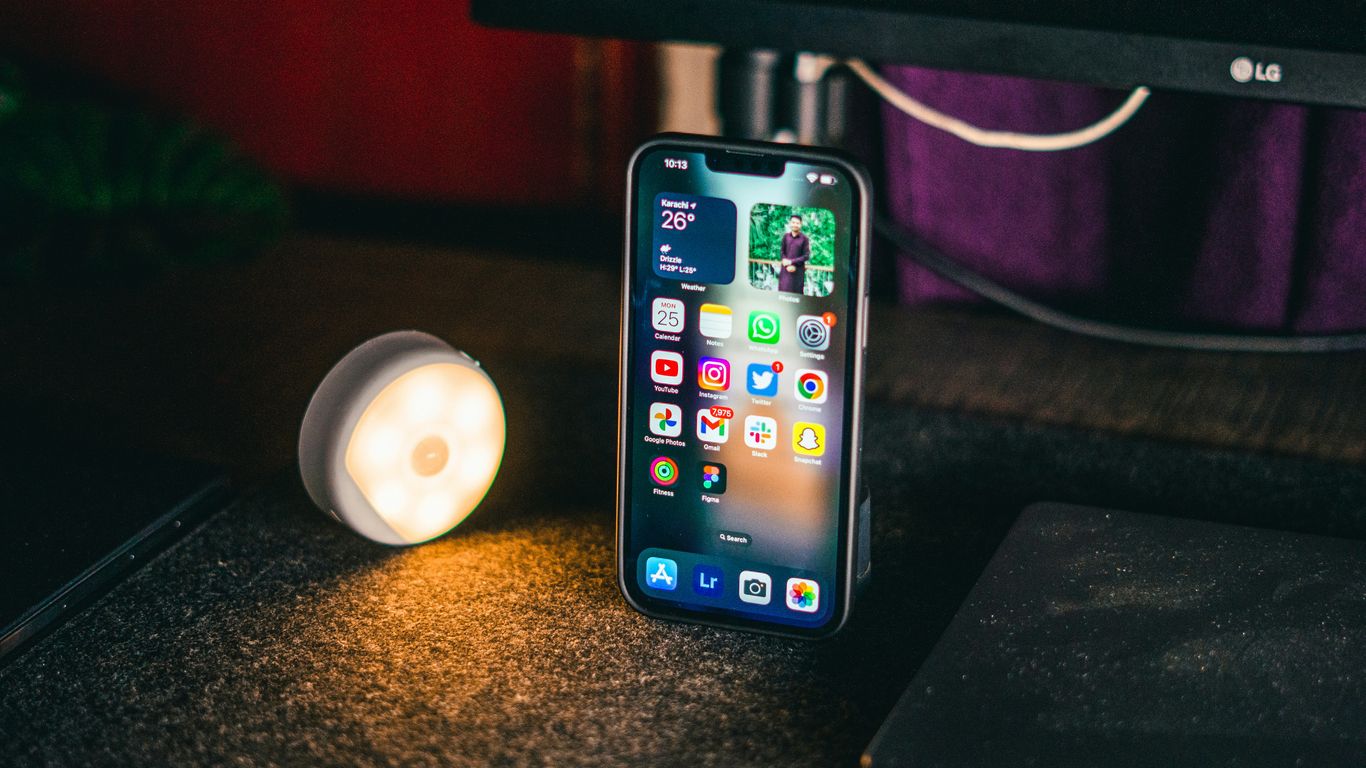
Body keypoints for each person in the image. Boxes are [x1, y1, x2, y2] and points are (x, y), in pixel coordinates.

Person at [777, 214, 810, 294]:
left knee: (796, 295)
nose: (795, 225)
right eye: (793, 222)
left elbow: (806, 256)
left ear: (801, 224)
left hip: (797, 273)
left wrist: (792, 262)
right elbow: (782, 252)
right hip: (785, 272)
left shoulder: (804, 239)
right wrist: (787, 264)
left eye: (797, 223)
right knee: (783, 294)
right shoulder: (786, 237)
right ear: (790, 223)